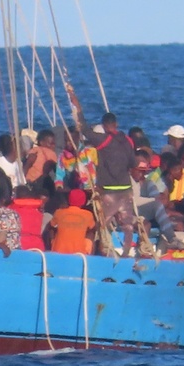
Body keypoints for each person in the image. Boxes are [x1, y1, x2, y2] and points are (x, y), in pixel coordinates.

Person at [69, 90, 138, 257]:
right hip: (126, 189)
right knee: (128, 226)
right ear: (116, 124)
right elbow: (133, 164)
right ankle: (127, 255)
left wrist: (77, 106)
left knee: (101, 225)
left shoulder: (103, 140)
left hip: (109, 191)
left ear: (105, 126)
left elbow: (83, 128)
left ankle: (98, 255)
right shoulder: (128, 140)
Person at [48, 188, 97, 255]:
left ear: (68, 199)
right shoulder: (88, 215)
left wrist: (52, 241)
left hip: (58, 251)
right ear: (84, 201)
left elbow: (51, 227)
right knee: (90, 234)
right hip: (80, 253)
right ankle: (89, 257)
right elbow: (93, 229)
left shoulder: (59, 212)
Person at [11, 185, 45, 250]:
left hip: (19, 245)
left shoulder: (11, 210)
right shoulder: (38, 211)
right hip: (37, 246)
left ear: (16, 196)